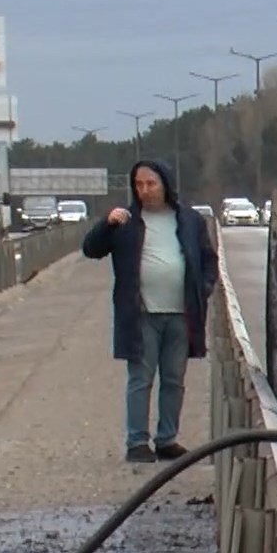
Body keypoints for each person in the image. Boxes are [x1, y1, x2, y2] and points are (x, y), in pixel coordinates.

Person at [82, 159, 219, 464]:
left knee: (174, 379)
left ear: (165, 184)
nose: (144, 190)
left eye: (150, 183)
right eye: (138, 185)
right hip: (141, 314)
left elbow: (209, 259)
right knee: (141, 379)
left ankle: (167, 439)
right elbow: (91, 249)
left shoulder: (189, 220)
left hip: (182, 314)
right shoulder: (126, 221)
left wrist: (203, 288)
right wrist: (106, 223)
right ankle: (137, 441)